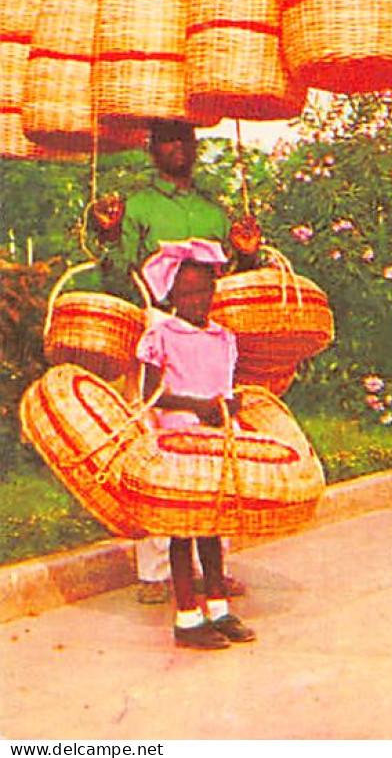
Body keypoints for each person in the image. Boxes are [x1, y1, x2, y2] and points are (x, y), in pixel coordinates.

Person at [90, 118, 261, 603]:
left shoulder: (212, 207)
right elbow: (116, 270)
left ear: (194, 146)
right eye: (166, 141)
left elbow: (230, 274)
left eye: (183, 140)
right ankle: (155, 571)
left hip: (207, 330)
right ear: (152, 149)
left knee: (214, 436)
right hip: (157, 324)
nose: (176, 149)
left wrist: (247, 255)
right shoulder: (139, 203)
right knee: (155, 437)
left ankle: (216, 568)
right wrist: (108, 234)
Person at [136, 240, 256, 649]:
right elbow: (151, 395)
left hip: (216, 440)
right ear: (171, 295)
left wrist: (229, 404)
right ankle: (187, 616)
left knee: (212, 525)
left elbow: (225, 384)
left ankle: (218, 607)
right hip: (180, 440)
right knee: (183, 529)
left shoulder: (224, 337)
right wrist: (197, 406)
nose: (196, 300)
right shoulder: (161, 334)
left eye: (203, 292)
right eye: (186, 293)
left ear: (213, 294)